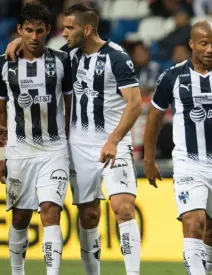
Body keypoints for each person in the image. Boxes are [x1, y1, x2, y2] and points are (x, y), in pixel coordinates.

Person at [5, 3, 143, 275]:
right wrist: (17, 41)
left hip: (113, 144)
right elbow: (38, 49)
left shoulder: (117, 57)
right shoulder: (68, 57)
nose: (64, 32)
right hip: (78, 146)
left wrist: (114, 140)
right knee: (89, 215)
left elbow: (135, 103)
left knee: (123, 208)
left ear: (87, 28)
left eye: (69, 28)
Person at [144, 21, 212, 275]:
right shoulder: (172, 77)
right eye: (203, 43)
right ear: (192, 44)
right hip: (188, 163)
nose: (209, 49)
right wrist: (149, 160)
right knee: (194, 223)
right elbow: (154, 119)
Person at [0, 2, 72, 275]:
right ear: (19, 30)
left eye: (39, 31)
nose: (33, 36)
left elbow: (69, 103)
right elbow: (1, 118)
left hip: (54, 150)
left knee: (51, 210)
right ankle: (18, 272)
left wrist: (67, 141)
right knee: (20, 217)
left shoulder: (62, 61)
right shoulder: (4, 65)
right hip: (20, 151)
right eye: (28, 31)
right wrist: (1, 156)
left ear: (47, 31)